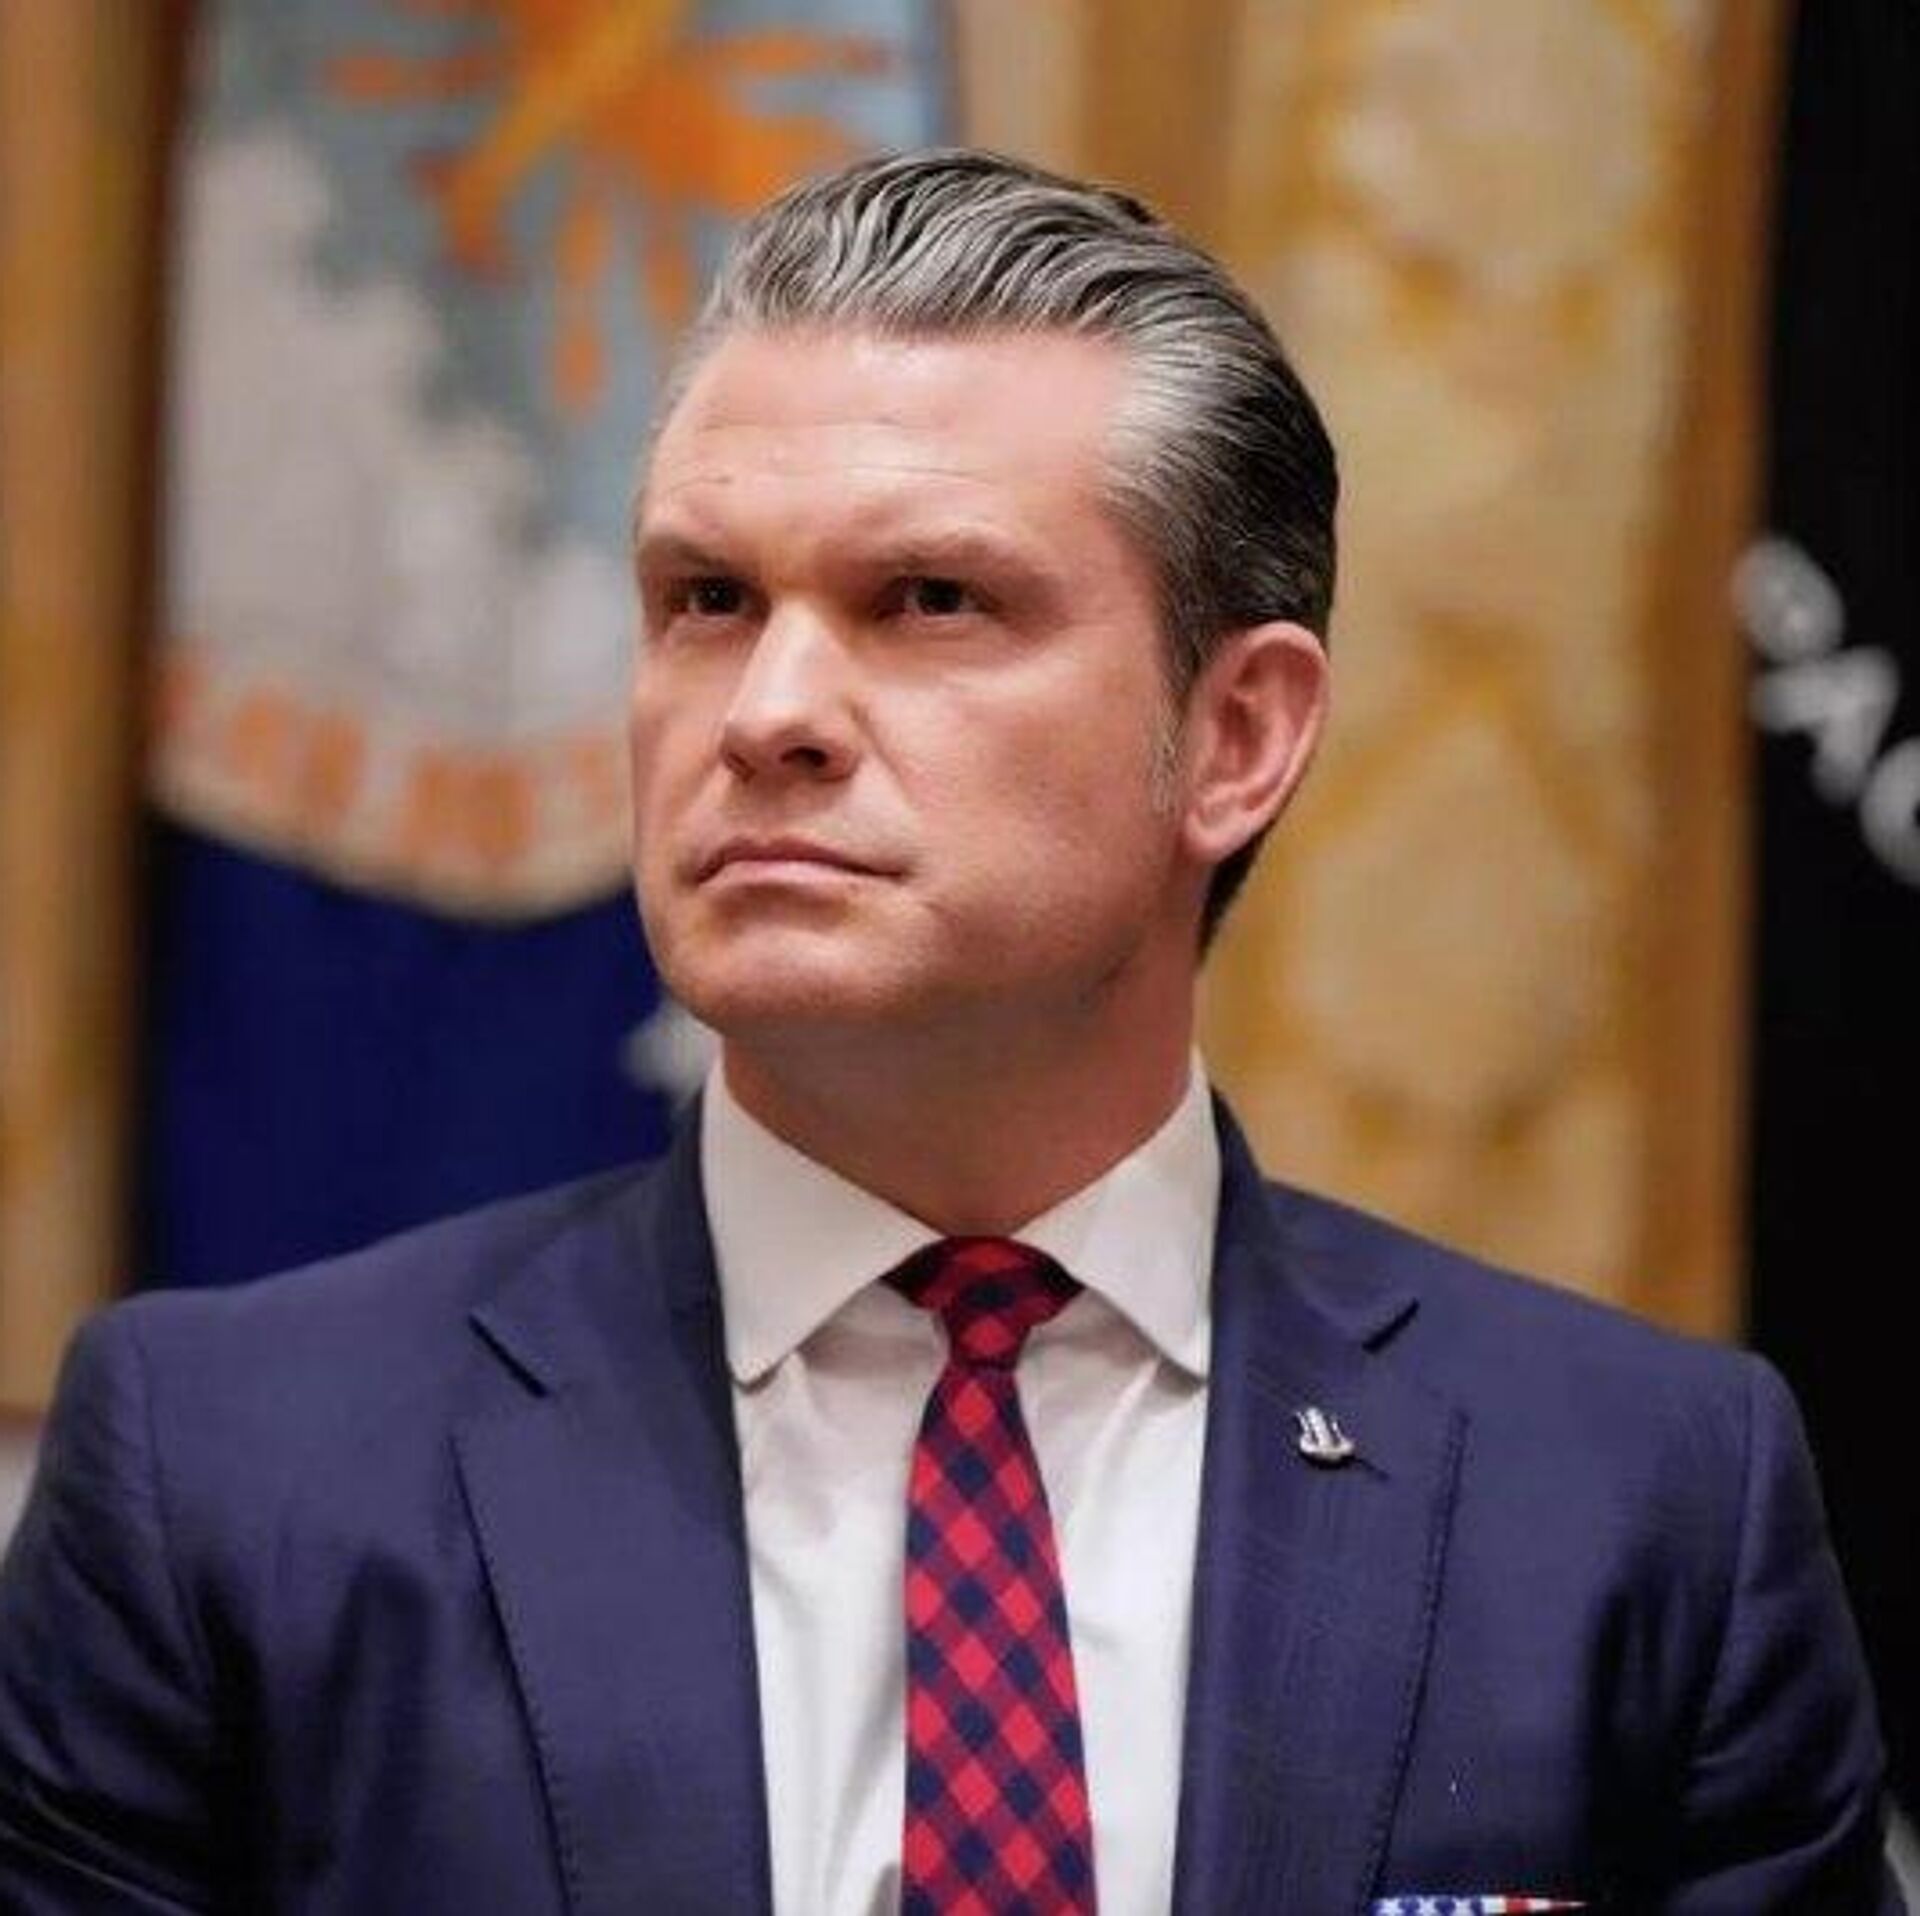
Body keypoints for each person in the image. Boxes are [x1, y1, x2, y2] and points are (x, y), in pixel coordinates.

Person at [0, 149, 1900, 1915]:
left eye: (930, 600)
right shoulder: (226, 1480)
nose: (769, 712)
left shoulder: (1644, 1501)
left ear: (1235, 736)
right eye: (706, 600)